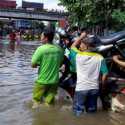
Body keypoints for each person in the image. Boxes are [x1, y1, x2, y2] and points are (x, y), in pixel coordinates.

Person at [71, 33, 108, 116]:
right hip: (94, 89)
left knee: (78, 111)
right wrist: (102, 86)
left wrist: (81, 37)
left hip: (81, 88)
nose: (80, 45)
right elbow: (105, 73)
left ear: (86, 46)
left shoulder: (78, 55)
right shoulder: (100, 57)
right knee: (92, 112)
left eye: (81, 43)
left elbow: (72, 47)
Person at [31, 28, 64, 108]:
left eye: (41, 36)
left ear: (46, 38)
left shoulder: (41, 49)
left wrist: (38, 65)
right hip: (54, 81)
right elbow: (60, 64)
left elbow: (32, 64)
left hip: (42, 81)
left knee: (36, 102)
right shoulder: (59, 49)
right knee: (49, 103)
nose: (40, 38)